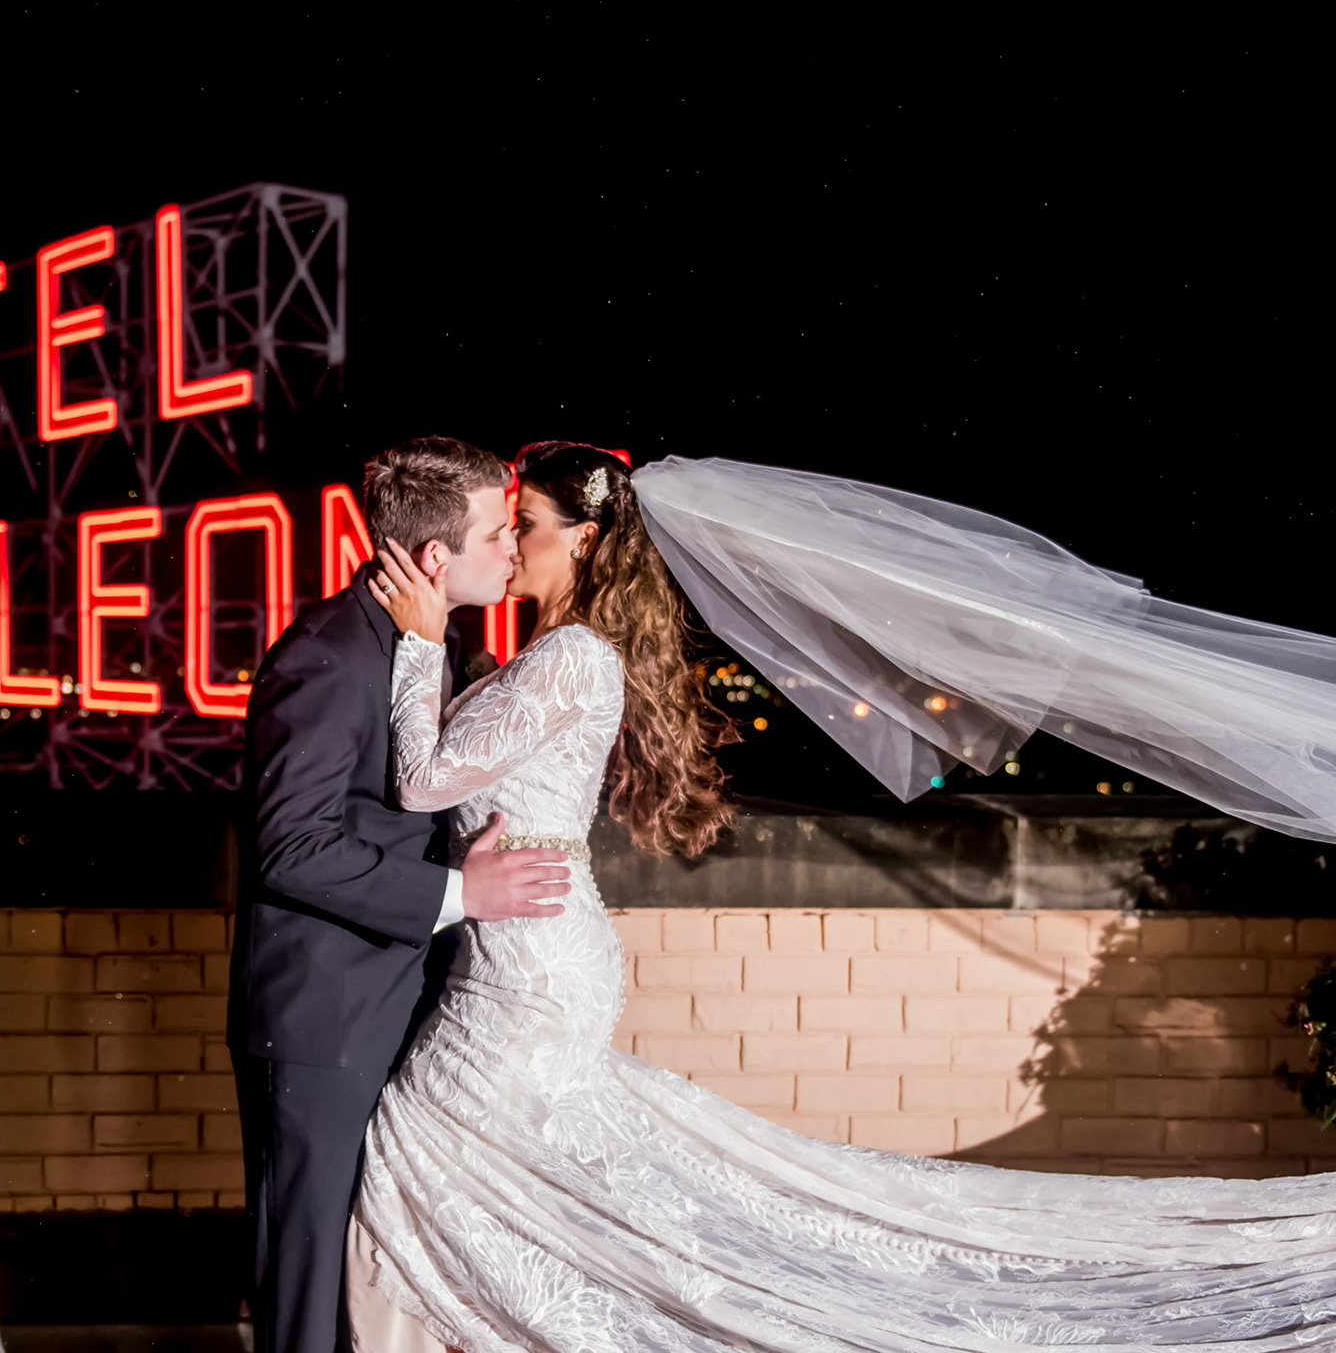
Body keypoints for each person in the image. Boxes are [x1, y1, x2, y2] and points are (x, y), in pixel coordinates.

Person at [346, 441, 1336, 1350]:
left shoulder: (571, 656)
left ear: (585, 536)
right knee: (480, 1162)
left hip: (533, 957)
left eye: (526, 525)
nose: (513, 545)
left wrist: (423, 639)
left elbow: (425, 780)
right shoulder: (561, 654)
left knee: (424, 1141)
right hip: (534, 938)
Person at [229, 436, 579, 1353]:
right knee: (308, 1290)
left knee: (369, 1281)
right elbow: (290, 847)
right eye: (499, 534)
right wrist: (461, 892)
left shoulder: (430, 644)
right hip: (324, 1023)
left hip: (400, 1007)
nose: (512, 550)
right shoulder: (330, 655)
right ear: (435, 558)